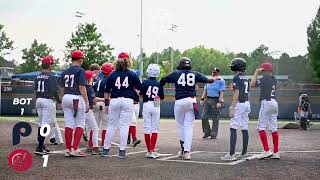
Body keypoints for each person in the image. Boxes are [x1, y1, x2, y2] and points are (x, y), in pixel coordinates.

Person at [160, 57, 218, 160]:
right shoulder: (195, 74)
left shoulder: (176, 73)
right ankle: (187, 152)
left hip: (179, 102)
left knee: (180, 126)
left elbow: (163, 80)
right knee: (189, 127)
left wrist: (160, 85)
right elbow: (209, 80)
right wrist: (215, 78)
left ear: (180, 65)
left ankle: (183, 149)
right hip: (191, 101)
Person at [102, 52, 141, 159]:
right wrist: (137, 97)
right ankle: (122, 151)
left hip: (114, 100)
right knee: (124, 126)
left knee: (111, 125)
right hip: (127, 100)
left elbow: (106, 91)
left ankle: (105, 150)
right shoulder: (132, 74)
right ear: (128, 61)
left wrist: (106, 105)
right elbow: (139, 88)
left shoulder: (112, 74)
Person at [61, 50, 89, 157]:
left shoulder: (64, 72)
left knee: (69, 124)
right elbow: (82, 87)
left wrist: (62, 99)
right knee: (80, 123)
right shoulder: (80, 71)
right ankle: (75, 149)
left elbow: (62, 88)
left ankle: (68, 149)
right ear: (80, 59)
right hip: (76, 97)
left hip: (66, 97)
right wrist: (86, 102)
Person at [221, 58, 250, 161]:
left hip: (240, 104)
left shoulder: (236, 77)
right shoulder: (245, 77)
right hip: (246, 103)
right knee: (244, 127)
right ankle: (244, 153)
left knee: (233, 127)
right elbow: (243, 90)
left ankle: (232, 154)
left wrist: (233, 107)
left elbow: (237, 93)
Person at [251, 62, 280, 159]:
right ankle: (276, 152)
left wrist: (256, 73)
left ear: (266, 71)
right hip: (274, 103)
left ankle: (266, 150)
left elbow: (252, 84)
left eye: (263, 70)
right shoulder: (274, 79)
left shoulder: (264, 79)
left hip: (266, 103)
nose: (262, 72)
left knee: (261, 127)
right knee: (274, 128)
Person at [34, 55, 61, 155]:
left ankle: (41, 145)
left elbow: (35, 90)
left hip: (39, 100)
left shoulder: (37, 76)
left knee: (41, 123)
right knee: (45, 124)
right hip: (47, 101)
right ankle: (40, 147)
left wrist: (36, 101)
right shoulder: (51, 76)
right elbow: (54, 91)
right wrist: (59, 101)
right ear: (49, 65)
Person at [140, 64, 164, 158]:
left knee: (147, 128)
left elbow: (141, 94)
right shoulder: (159, 83)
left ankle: (149, 151)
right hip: (156, 104)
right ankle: (152, 150)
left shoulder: (145, 82)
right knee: (155, 128)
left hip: (146, 104)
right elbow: (161, 97)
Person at [91, 63, 114, 149]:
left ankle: (91, 144)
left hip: (95, 102)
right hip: (104, 102)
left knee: (94, 126)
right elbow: (109, 94)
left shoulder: (97, 80)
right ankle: (103, 145)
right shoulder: (109, 80)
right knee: (105, 125)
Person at [200, 67, 225, 139]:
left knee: (215, 118)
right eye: (213, 72)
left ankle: (213, 133)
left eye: (215, 72)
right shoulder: (209, 80)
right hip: (208, 99)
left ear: (218, 73)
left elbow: (222, 92)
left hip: (216, 100)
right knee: (203, 117)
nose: (213, 74)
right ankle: (207, 132)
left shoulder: (221, 81)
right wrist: (202, 99)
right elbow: (205, 90)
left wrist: (219, 101)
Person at [84, 70, 105, 155]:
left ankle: (89, 146)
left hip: (81, 109)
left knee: (80, 126)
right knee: (95, 128)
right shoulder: (89, 87)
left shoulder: (81, 86)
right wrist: (104, 99)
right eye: (92, 77)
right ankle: (95, 148)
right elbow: (94, 99)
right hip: (87, 110)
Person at [83, 63, 102, 142]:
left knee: (92, 120)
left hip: (94, 99)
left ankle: (87, 134)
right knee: (89, 121)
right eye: (95, 72)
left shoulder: (97, 79)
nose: (97, 74)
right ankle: (87, 134)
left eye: (98, 72)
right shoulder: (87, 77)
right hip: (89, 100)